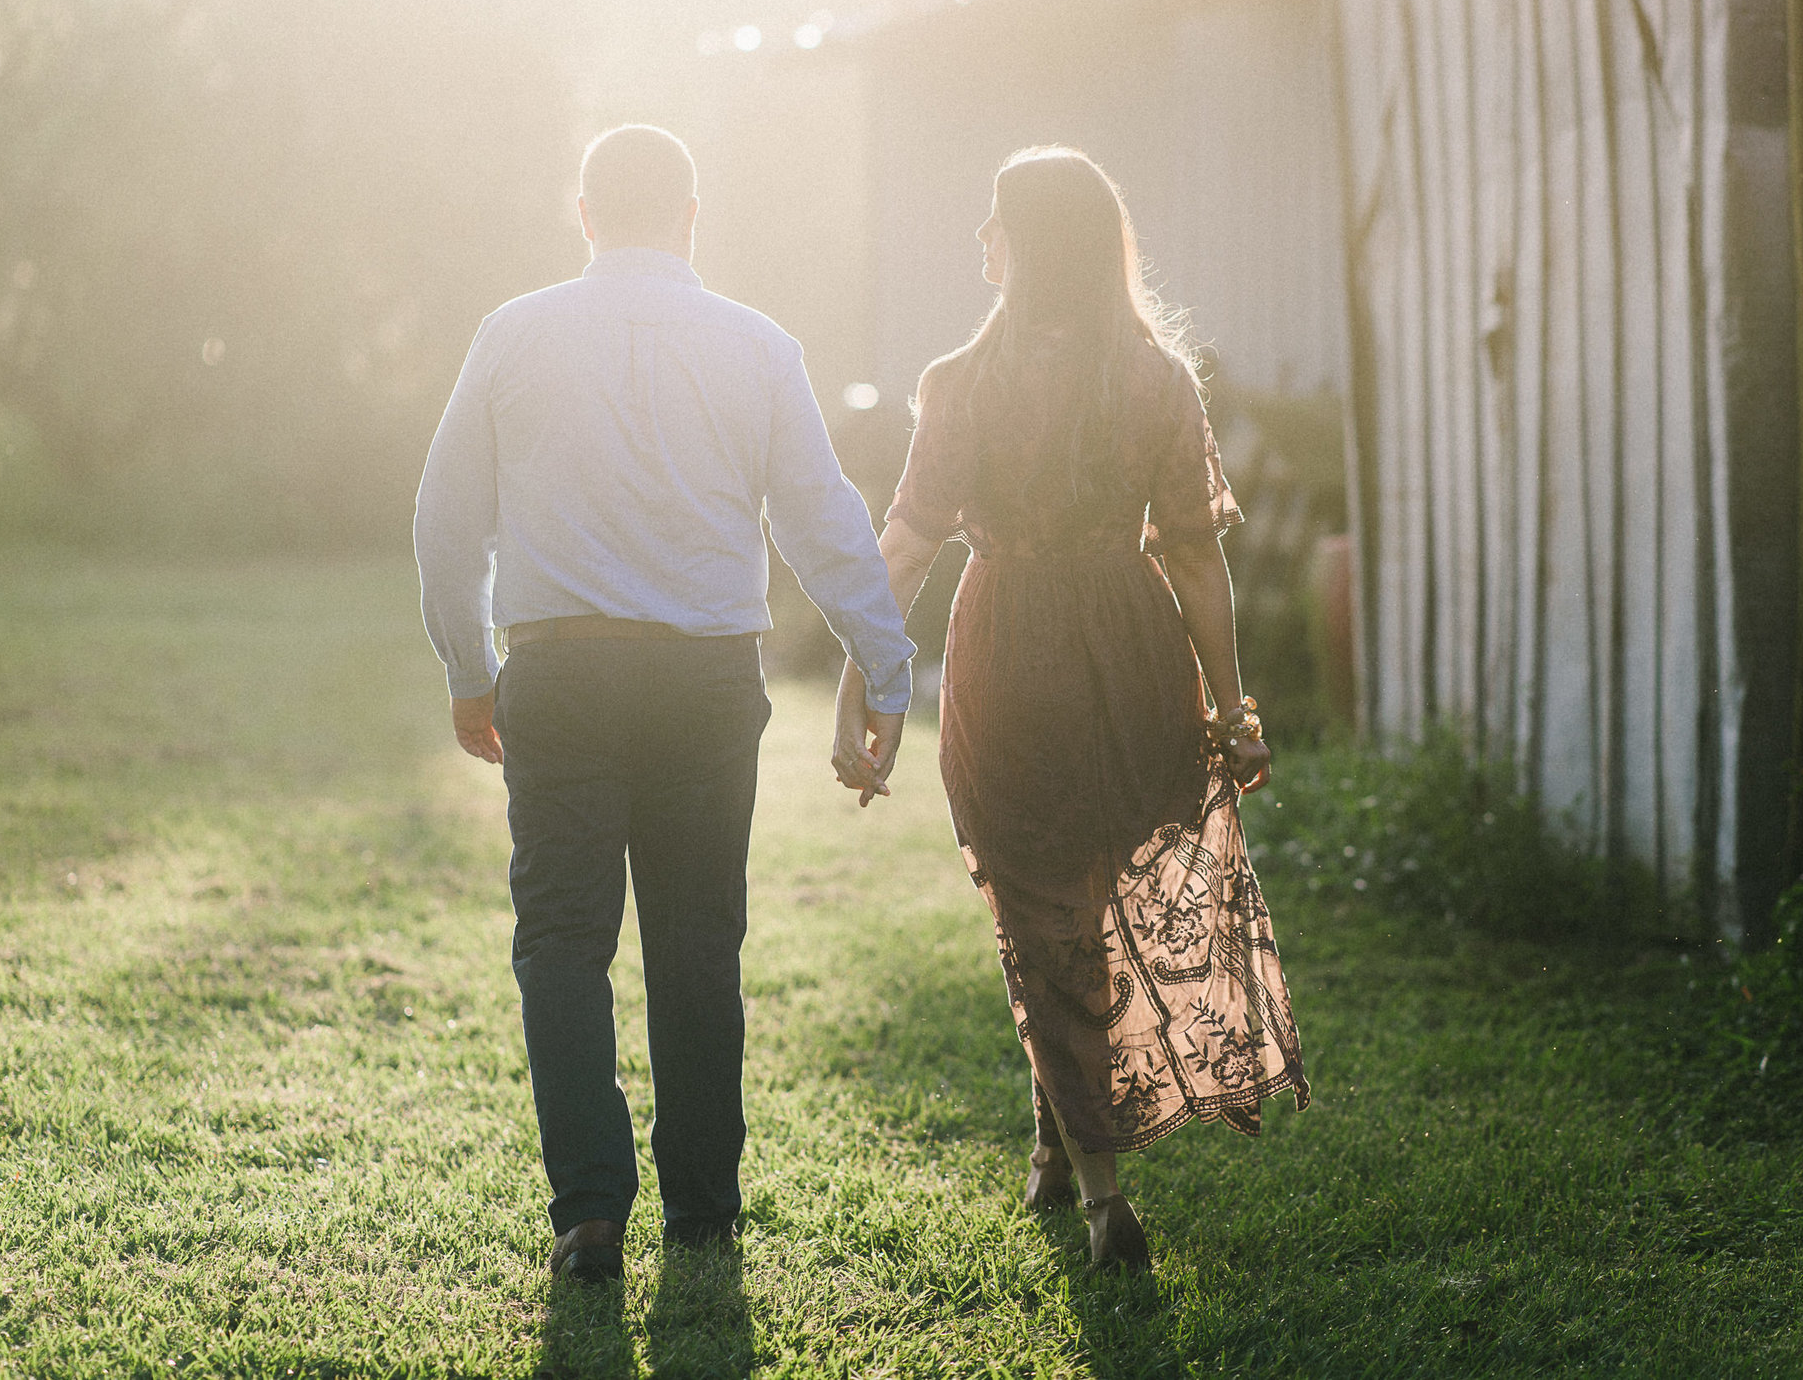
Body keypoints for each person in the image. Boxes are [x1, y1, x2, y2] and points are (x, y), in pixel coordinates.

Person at [413, 124, 915, 1287]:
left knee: (561, 941)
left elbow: (445, 519)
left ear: (583, 214)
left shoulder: (514, 331)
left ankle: (588, 1211)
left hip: (559, 670)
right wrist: (883, 669)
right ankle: (701, 1205)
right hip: (702, 680)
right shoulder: (759, 345)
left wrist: (465, 670)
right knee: (699, 943)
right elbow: (824, 520)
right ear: (693, 216)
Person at [832, 146, 1310, 1274]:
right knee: (1087, 891)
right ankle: (1058, 1143)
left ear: (1025, 243)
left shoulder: (961, 382)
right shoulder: (1156, 381)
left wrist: (861, 678)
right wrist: (1230, 704)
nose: (977, 242)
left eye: (992, 219)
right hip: (1132, 642)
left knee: (1036, 896)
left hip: (1006, 646)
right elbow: (1194, 558)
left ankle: (1104, 1198)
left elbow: (900, 547)